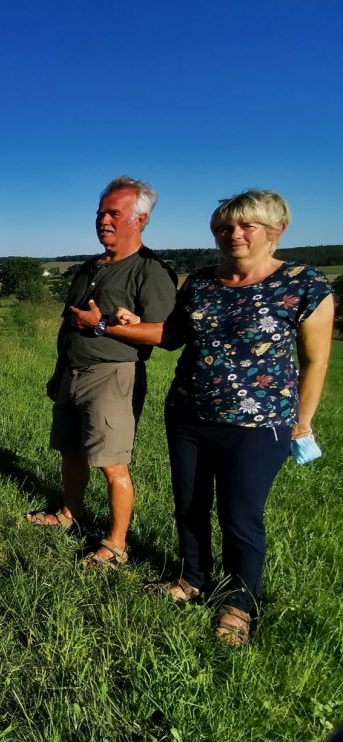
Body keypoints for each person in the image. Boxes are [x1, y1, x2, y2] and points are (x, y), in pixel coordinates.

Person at [114, 190, 333, 645]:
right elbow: (174, 336)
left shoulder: (303, 284)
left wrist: (303, 420)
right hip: (189, 413)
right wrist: (128, 321)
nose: (233, 234)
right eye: (224, 227)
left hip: (259, 424)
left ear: (276, 230)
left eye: (246, 225)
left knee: (240, 514)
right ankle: (191, 579)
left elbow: (315, 362)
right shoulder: (200, 281)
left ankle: (238, 603)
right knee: (190, 504)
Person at [27, 176, 177, 570]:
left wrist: (104, 326)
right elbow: (69, 323)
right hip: (73, 372)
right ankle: (68, 514)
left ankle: (116, 544)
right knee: (70, 451)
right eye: (100, 213)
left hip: (113, 375)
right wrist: (60, 370)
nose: (104, 221)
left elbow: (166, 333)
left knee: (113, 464)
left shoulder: (150, 270)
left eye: (114, 213)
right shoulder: (89, 268)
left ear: (140, 219)